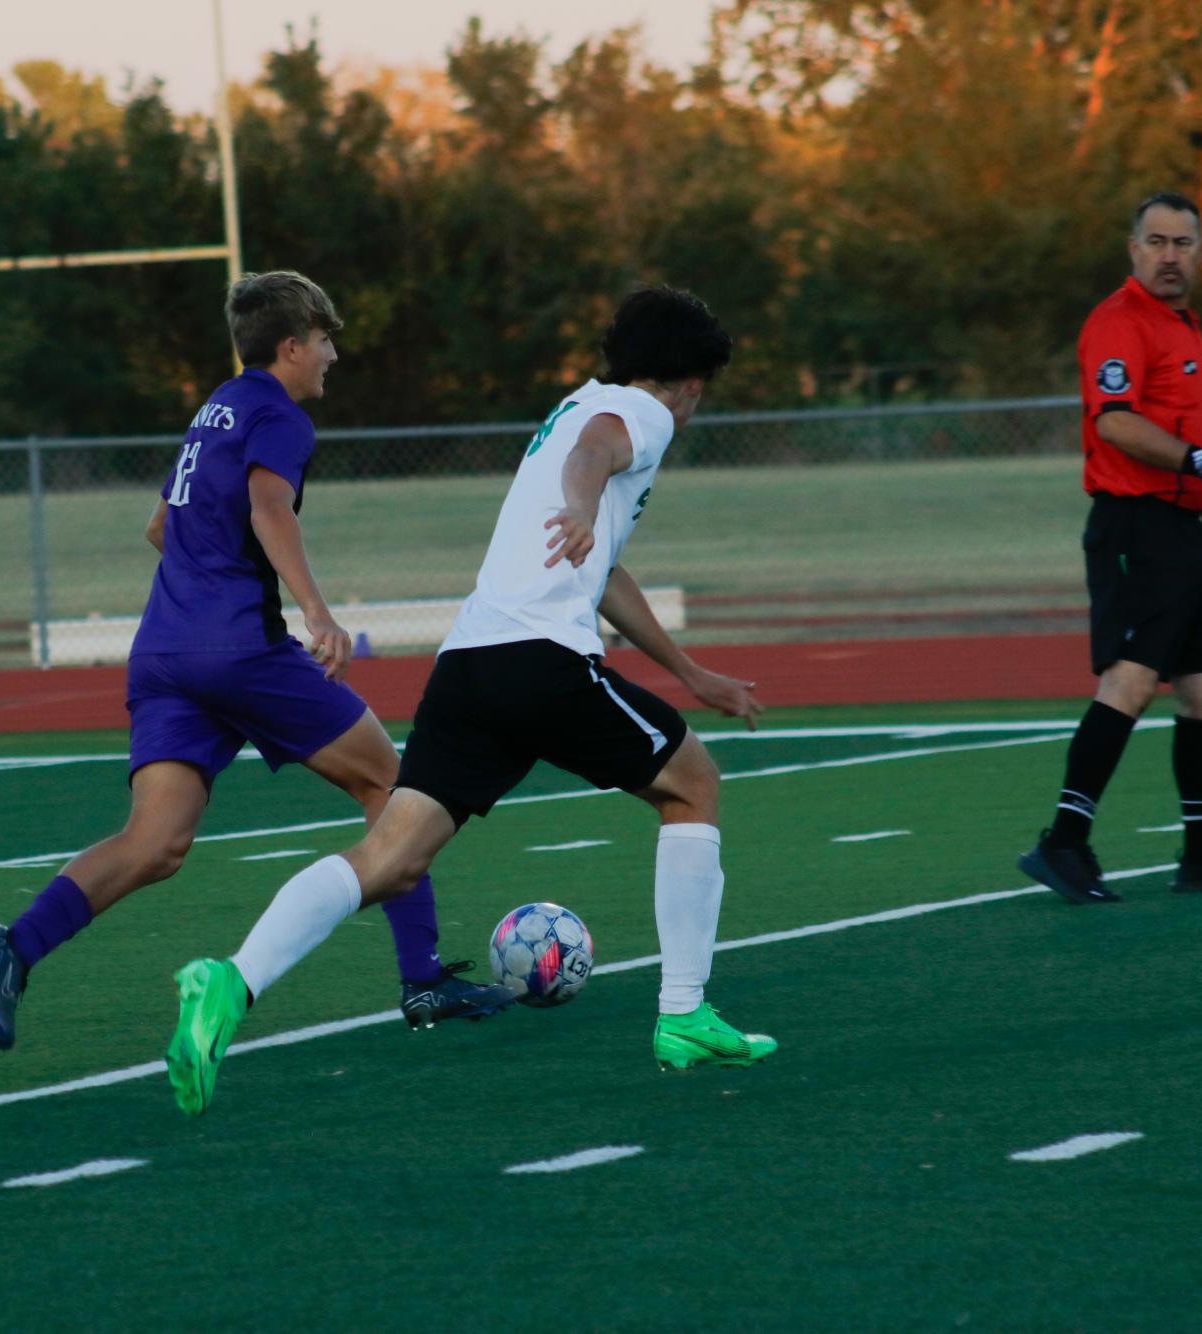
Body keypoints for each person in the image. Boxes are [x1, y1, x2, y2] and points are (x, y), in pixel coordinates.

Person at [164, 285, 776, 1116]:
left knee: (392, 858)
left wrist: (687, 670)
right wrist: (580, 502)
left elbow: (601, 570)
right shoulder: (642, 414)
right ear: (691, 379)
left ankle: (231, 983)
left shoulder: (576, 404)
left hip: (470, 665)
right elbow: (593, 458)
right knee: (693, 786)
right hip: (541, 662)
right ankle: (683, 1014)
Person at [0, 271, 513, 1052]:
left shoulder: (212, 409)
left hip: (161, 651)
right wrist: (316, 614)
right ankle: (422, 978)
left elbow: (161, 527)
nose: (331, 356)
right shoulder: (278, 416)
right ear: (290, 347)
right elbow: (266, 507)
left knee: (154, 844)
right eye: (324, 340)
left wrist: (210, 579)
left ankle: (13, 948)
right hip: (236, 649)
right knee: (391, 785)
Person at [1017, 192, 1202, 904]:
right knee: (1131, 681)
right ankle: (1062, 843)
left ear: (1199, 252)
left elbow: (1173, 427)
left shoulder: (1180, 325)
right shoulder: (1119, 321)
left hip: (1178, 526)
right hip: (1133, 529)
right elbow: (1115, 424)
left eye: (1183, 244)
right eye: (1156, 241)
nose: (1170, 255)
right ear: (1132, 249)